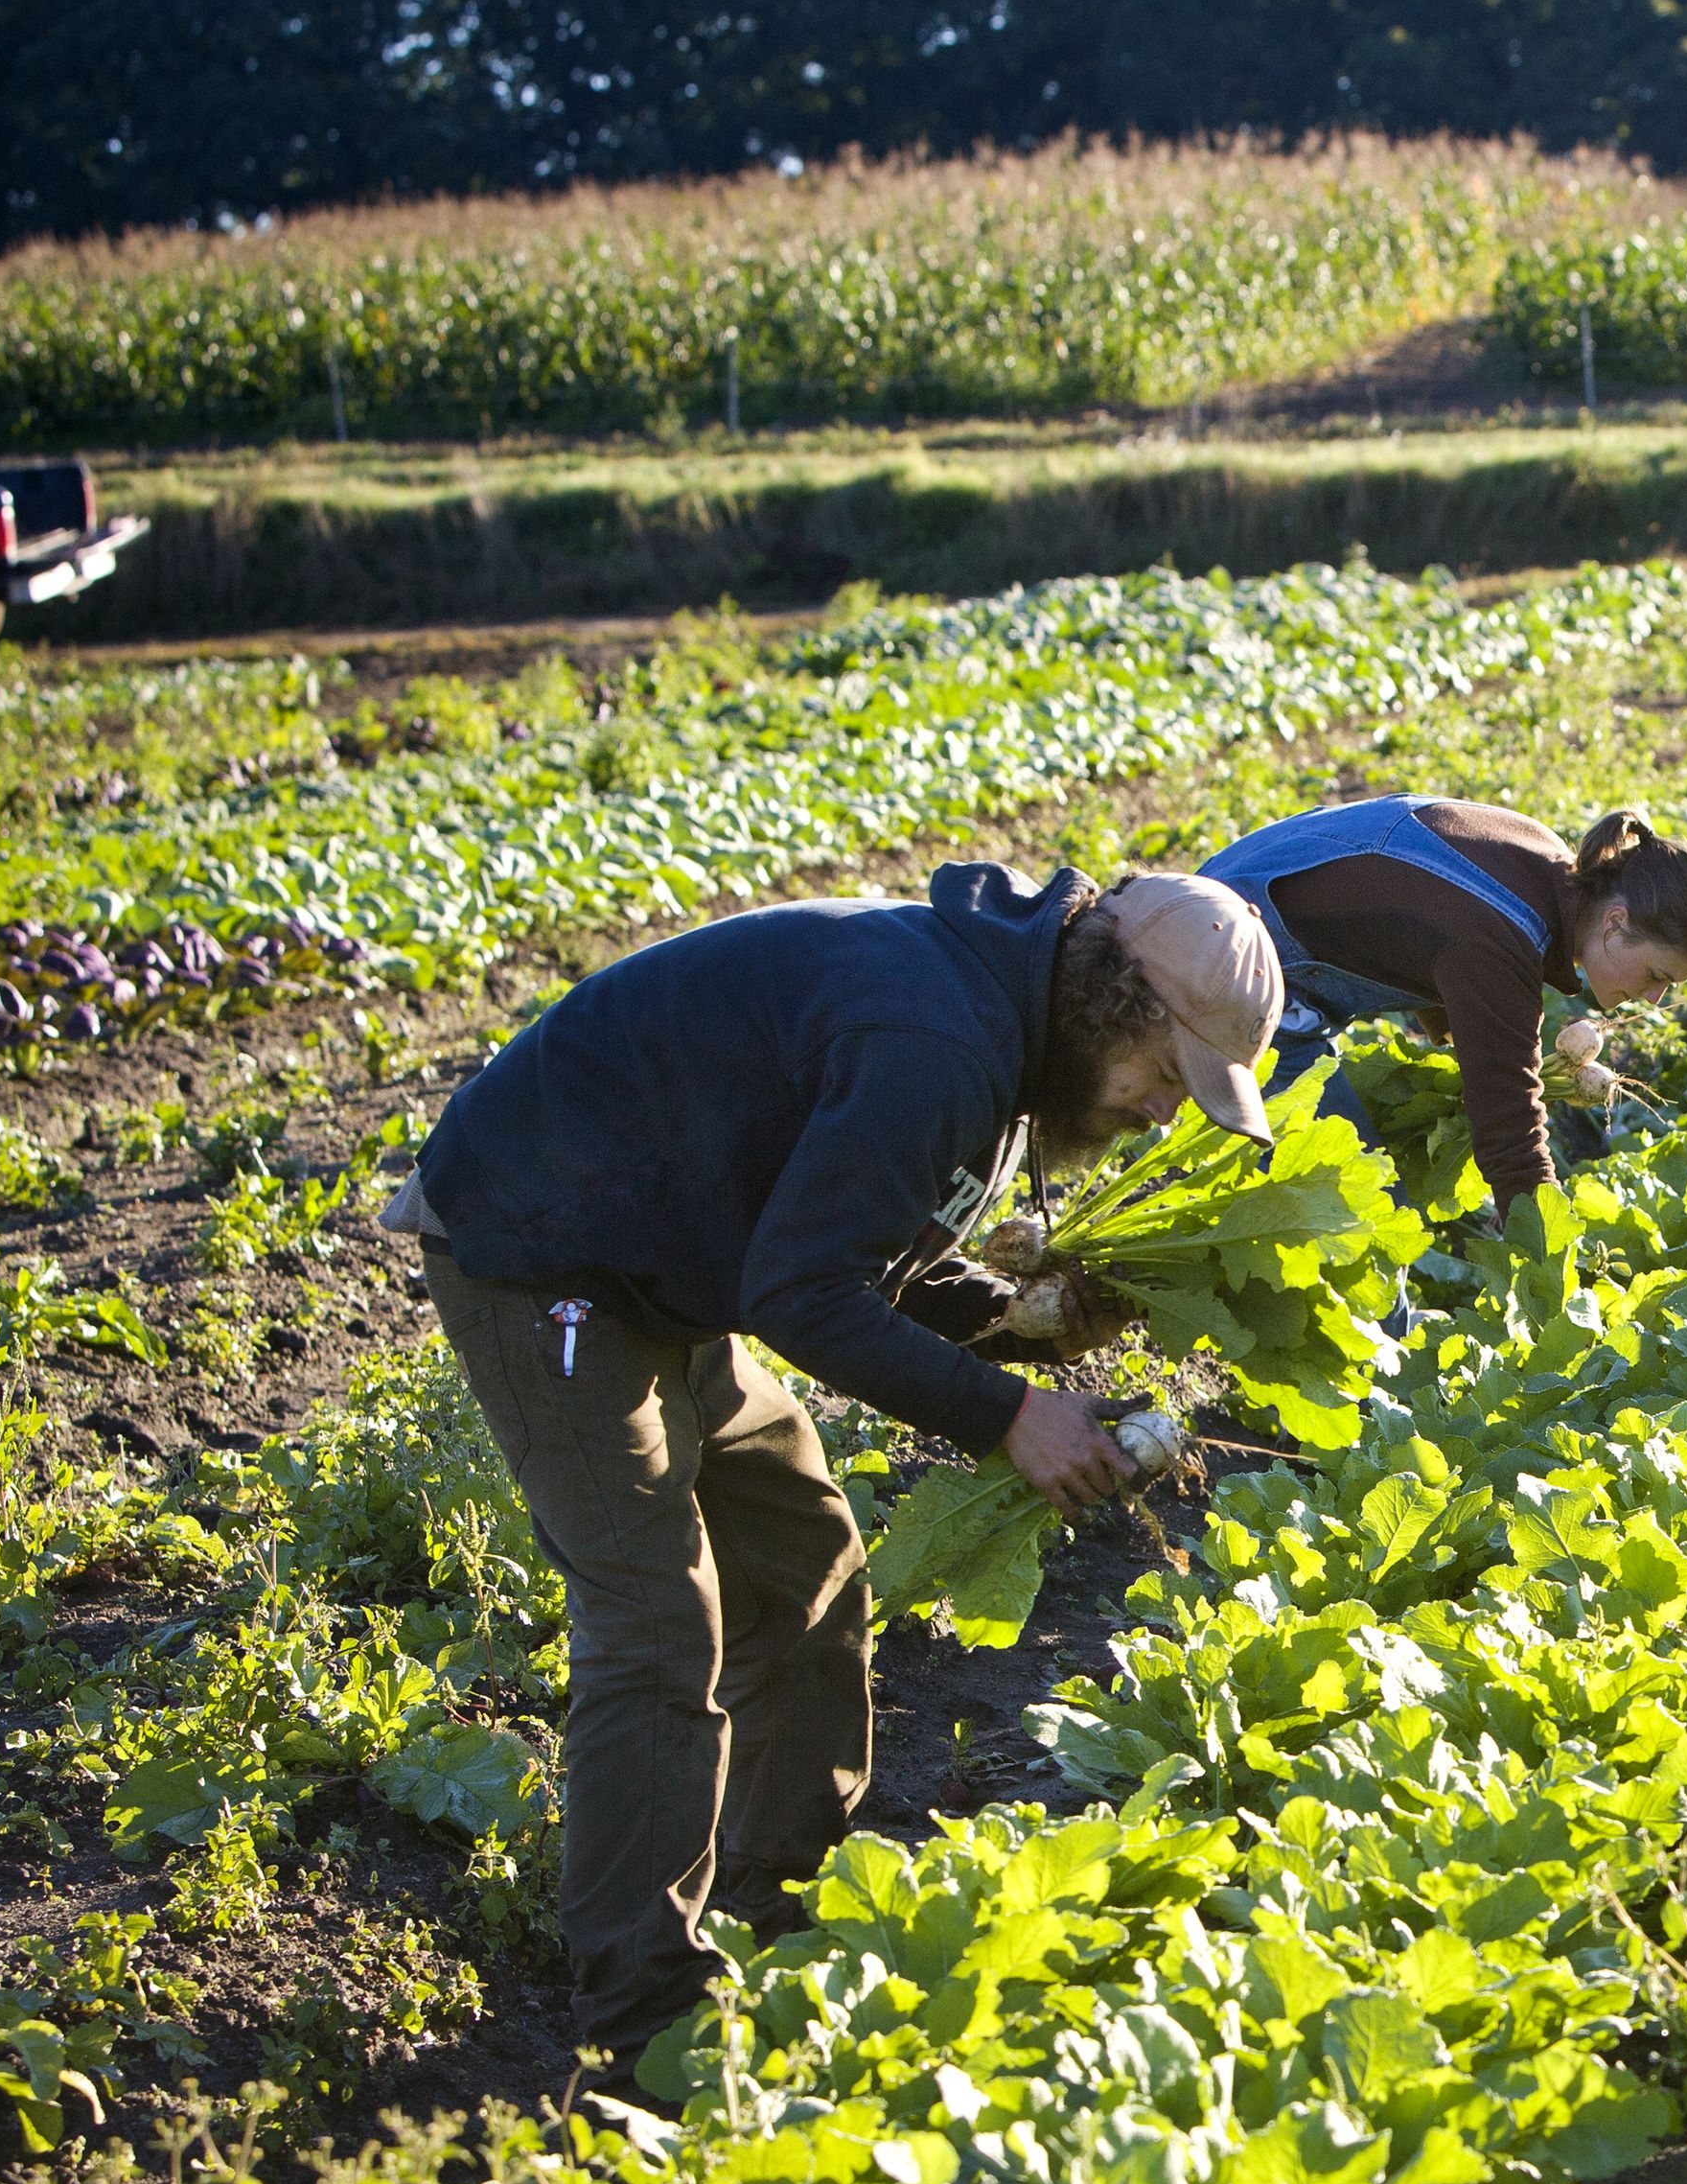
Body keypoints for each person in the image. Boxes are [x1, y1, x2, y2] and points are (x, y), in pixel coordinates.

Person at [379, 862, 1283, 2067]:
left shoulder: (1002, 1038)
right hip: (548, 1255)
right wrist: (1008, 1410)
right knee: (656, 1620)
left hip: (663, 1263)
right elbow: (800, 1293)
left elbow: (855, 1242)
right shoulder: (936, 1038)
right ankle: (643, 2015)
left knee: (804, 1554)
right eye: (1169, 1076)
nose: (1162, 1111)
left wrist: (1019, 1322)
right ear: (1113, 1008)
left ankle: (781, 1899)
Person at [1200, 796, 1687, 1206]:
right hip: (1221, 964)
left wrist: (1459, 1029)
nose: (1656, 997)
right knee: (1362, 1202)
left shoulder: (1543, 862)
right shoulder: (1505, 937)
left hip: (1217, 906)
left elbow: (1415, 914)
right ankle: (1384, 1344)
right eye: (1658, 975)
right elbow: (1510, 1129)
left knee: (1342, 1177)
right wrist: (1543, 1246)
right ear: (1615, 924)